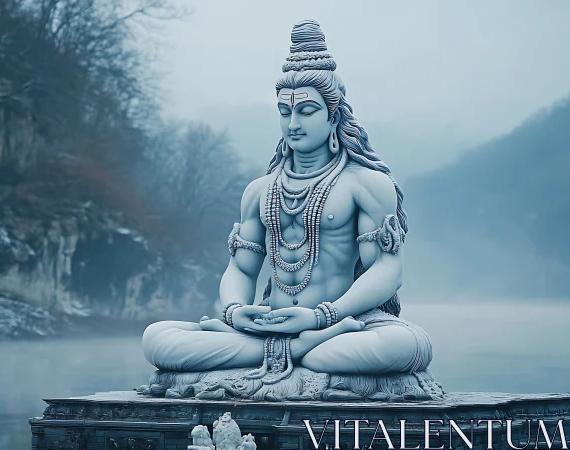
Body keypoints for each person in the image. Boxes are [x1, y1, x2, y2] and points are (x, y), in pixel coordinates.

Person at [142, 20, 432, 382]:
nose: (293, 123)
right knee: (157, 338)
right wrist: (234, 311)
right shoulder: (260, 190)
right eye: (284, 111)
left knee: (405, 344)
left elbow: (387, 271)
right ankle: (297, 351)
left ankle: (285, 351)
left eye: (307, 111)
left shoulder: (367, 184)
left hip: (341, 322)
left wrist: (322, 317)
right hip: (275, 325)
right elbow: (242, 269)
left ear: (334, 115)